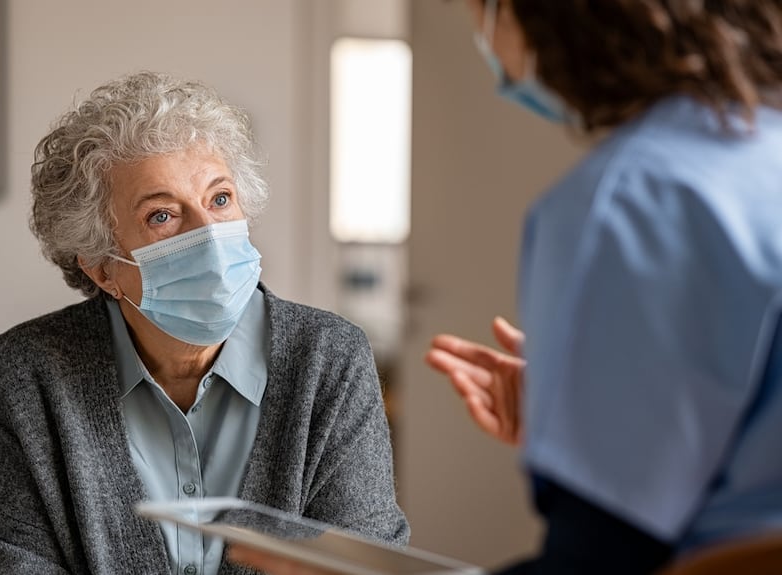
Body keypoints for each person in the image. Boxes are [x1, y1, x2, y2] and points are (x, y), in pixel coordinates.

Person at [232, 0, 782, 574]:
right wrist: (589, 419)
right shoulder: (759, 150)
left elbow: (599, 562)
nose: (482, 36)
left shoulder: (631, 200)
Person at [0, 71, 409, 575]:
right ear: (103, 268)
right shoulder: (31, 372)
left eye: (219, 199)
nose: (211, 237)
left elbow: (364, 560)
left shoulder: (330, 359)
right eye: (162, 216)